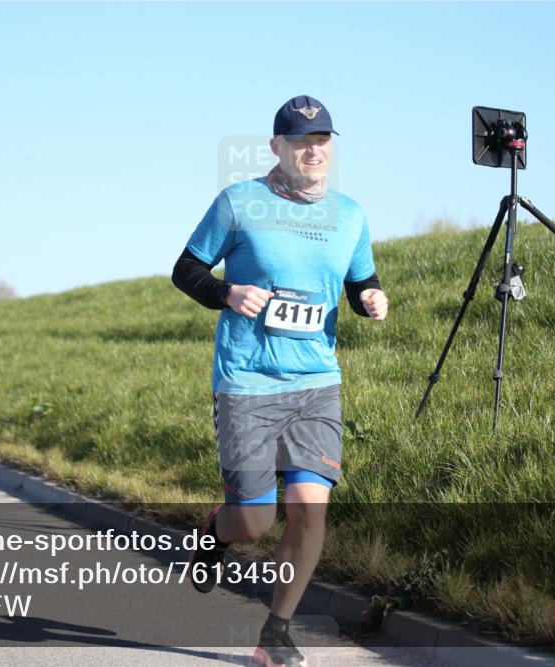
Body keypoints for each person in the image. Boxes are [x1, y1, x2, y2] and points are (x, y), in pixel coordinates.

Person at [172, 95, 389, 667]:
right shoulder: (239, 202)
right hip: (247, 381)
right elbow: (186, 269)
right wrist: (226, 292)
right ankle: (216, 532)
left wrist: (370, 297)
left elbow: (360, 280)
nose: (312, 151)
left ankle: (276, 633)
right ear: (276, 147)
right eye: (300, 142)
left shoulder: (349, 215)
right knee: (253, 522)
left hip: (316, 382)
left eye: (321, 141)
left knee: (310, 509)